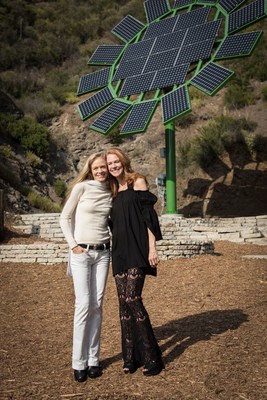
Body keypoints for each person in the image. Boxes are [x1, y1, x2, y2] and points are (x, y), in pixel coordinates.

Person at [106, 147, 164, 377]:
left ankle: (152, 358)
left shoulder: (137, 182)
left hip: (138, 250)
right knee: (123, 305)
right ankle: (130, 357)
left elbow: (150, 218)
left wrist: (152, 248)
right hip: (119, 251)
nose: (113, 166)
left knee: (133, 298)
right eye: (109, 163)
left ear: (123, 161)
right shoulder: (110, 190)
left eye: (115, 161)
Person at [59, 152, 112, 383]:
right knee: (83, 305)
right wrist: (73, 245)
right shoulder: (82, 188)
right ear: (90, 170)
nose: (100, 171)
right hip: (81, 253)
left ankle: (93, 360)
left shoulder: (112, 190)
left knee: (97, 305)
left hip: (103, 252)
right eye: (97, 168)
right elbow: (64, 217)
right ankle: (78, 362)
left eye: (104, 168)